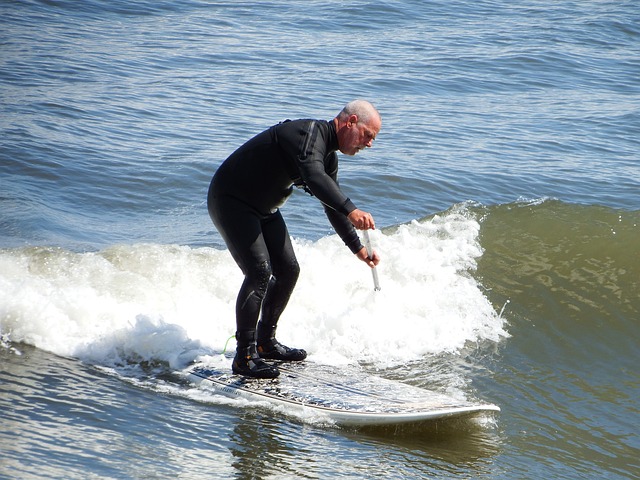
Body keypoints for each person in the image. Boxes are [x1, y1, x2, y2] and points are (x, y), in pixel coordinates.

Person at [207, 99, 382, 378]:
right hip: (232, 200)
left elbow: (331, 203)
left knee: (288, 270)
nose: (369, 144)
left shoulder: (327, 157)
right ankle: (244, 356)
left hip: (265, 209)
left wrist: (358, 248)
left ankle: (265, 343)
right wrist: (352, 209)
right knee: (260, 271)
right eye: (368, 135)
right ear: (351, 122)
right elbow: (313, 177)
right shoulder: (308, 134)